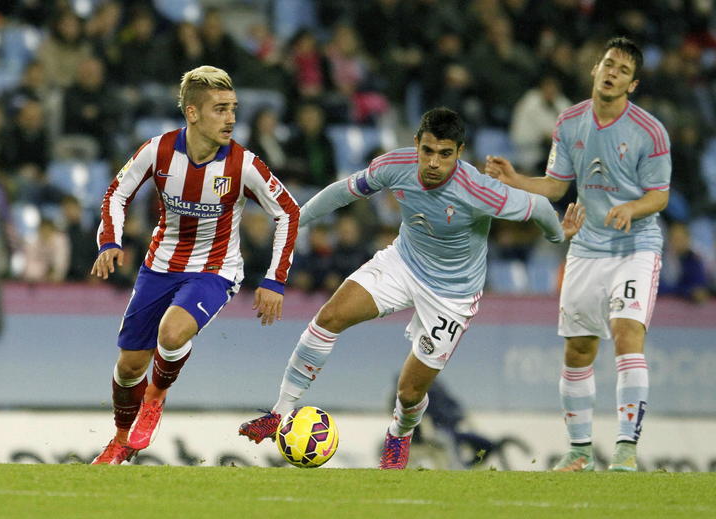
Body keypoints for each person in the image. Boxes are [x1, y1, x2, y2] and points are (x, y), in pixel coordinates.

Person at [239, 106, 583, 469]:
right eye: (427, 150)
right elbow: (343, 192)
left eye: (445, 154)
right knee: (330, 317)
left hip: (452, 295)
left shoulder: (480, 190)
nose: (434, 162)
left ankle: (400, 434)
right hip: (403, 263)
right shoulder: (395, 165)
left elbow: (539, 207)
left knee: (409, 391)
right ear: (416, 143)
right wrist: (295, 222)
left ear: (460, 152)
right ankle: (279, 413)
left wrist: (558, 235)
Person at [90, 65, 300, 465]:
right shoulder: (158, 151)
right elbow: (116, 193)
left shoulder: (244, 165)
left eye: (233, 108)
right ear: (192, 112)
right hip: (160, 265)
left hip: (214, 269)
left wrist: (275, 279)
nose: (231, 118)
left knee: (171, 334)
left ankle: (155, 398)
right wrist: (110, 241)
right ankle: (119, 440)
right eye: (220, 109)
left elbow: (288, 211)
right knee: (129, 367)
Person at [485, 37, 671, 472]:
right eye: (608, 64)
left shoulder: (650, 131)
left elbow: (660, 195)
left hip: (635, 247)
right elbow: (556, 186)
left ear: (633, 84)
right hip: (587, 247)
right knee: (579, 350)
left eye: (623, 71)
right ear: (595, 69)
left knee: (627, 335)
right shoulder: (569, 122)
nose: (612, 73)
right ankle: (580, 451)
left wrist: (632, 208)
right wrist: (516, 180)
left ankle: (625, 449)